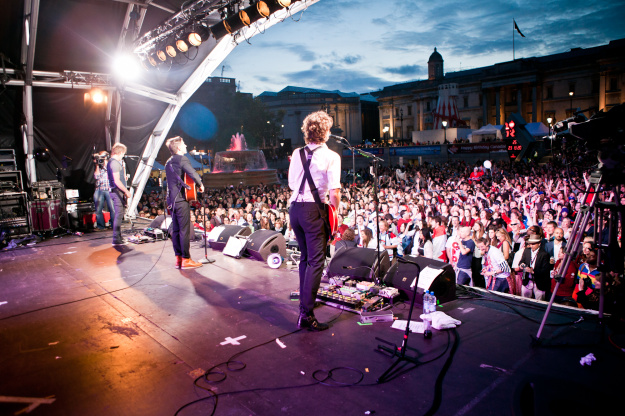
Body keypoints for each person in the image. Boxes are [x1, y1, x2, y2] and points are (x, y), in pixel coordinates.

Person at [288, 111, 341, 332]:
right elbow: (334, 193)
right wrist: (335, 218)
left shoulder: (297, 152)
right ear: (326, 132)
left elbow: (292, 183)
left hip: (295, 209)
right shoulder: (331, 156)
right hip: (313, 210)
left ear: (307, 131)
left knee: (306, 258)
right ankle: (306, 314)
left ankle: (304, 303)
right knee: (317, 261)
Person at [165, 136, 211, 269]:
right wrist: (200, 184)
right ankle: (186, 259)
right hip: (180, 199)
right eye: (184, 144)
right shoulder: (182, 159)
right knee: (184, 230)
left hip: (171, 200)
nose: (185, 145)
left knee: (176, 229)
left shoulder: (168, 161)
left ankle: (178, 259)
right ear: (179, 147)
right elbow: (193, 173)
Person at [107, 143, 131, 245]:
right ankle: (116, 239)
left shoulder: (111, 162)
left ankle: (118, 237)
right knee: (119, 215)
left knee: (119, 215)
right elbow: (116, 181)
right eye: (123, 154)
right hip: (117, 192)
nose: (123, 156)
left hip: (116, 192)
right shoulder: (115, 163)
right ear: (120, 152)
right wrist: (126, 191)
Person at [516, 234, 551, 300]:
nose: (531, 245)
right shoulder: (526, 251)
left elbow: (545, 270)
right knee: (524, 300)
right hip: (527, 281)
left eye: (533, 244)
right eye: (530, 244)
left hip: (539, 282)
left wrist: (532, 271)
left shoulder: (544, 254)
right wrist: (522, 265)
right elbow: (521, 262)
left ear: (539, 243)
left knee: (539, 301)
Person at [93, 151, 114, 230]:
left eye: (102, 156)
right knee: (98, 209)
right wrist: (97, 164)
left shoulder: (110, 164)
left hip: (109, 189)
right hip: (99, 189)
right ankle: (101, 226)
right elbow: (96, 176)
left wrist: (104, 160)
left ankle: (113, 225)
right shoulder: (99, 166)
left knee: (112, 208)